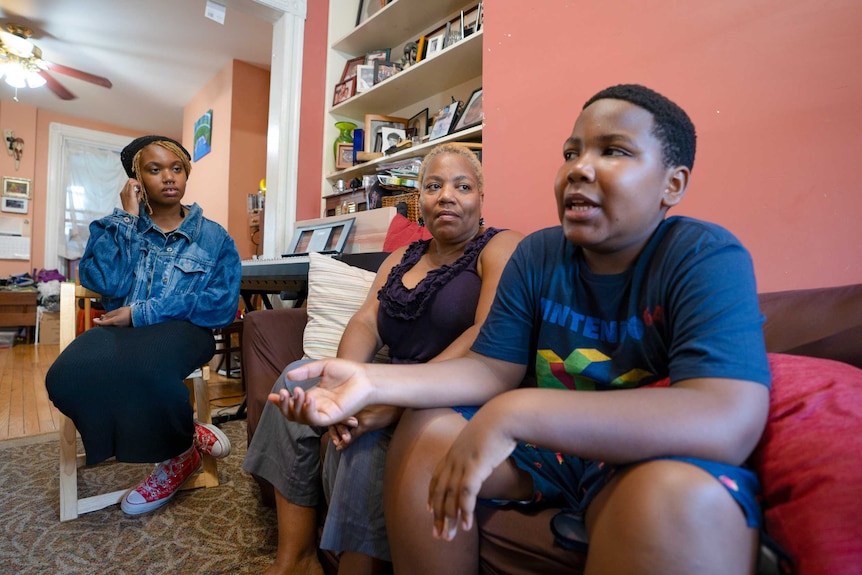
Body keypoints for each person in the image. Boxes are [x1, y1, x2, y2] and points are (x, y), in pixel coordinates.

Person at [273, 84, 772, 574]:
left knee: (674, 500)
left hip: (638, 458)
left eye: (614, 151)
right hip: (545, 454)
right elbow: (489, 367)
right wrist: (370, 382)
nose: (579, 167)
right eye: (571, 152)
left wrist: (517, 411)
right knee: (427, 431)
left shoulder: (703, 255)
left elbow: (728, 416)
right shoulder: (539, 254)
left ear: (673, 185)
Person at [243, 142, 522, 575]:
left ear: (480, 197)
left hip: (451, 391)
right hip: (385, 375)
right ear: (420, 201)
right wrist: (342, 386)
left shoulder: (499, 248)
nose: (446, 194)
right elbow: (366, 322)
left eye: (461, 185)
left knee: (367, 439)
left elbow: (485, 332)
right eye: (433, 186)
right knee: (295, 378)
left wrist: (392, 400)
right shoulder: (401, 257)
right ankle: (295, 558)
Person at [47, 135, 241, 516]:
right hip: (121, 332)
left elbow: (220, 307)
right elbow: (104, 281)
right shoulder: (118, 227)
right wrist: (125, 218)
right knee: (64, 376)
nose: (169, 177)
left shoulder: (215, 237)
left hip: (185, 331)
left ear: (186, 174)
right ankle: (186, 440)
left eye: (177, 168)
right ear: (137, 180)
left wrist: (141, 313)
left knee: (148, 370)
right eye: (155, 169)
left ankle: (174, 458)